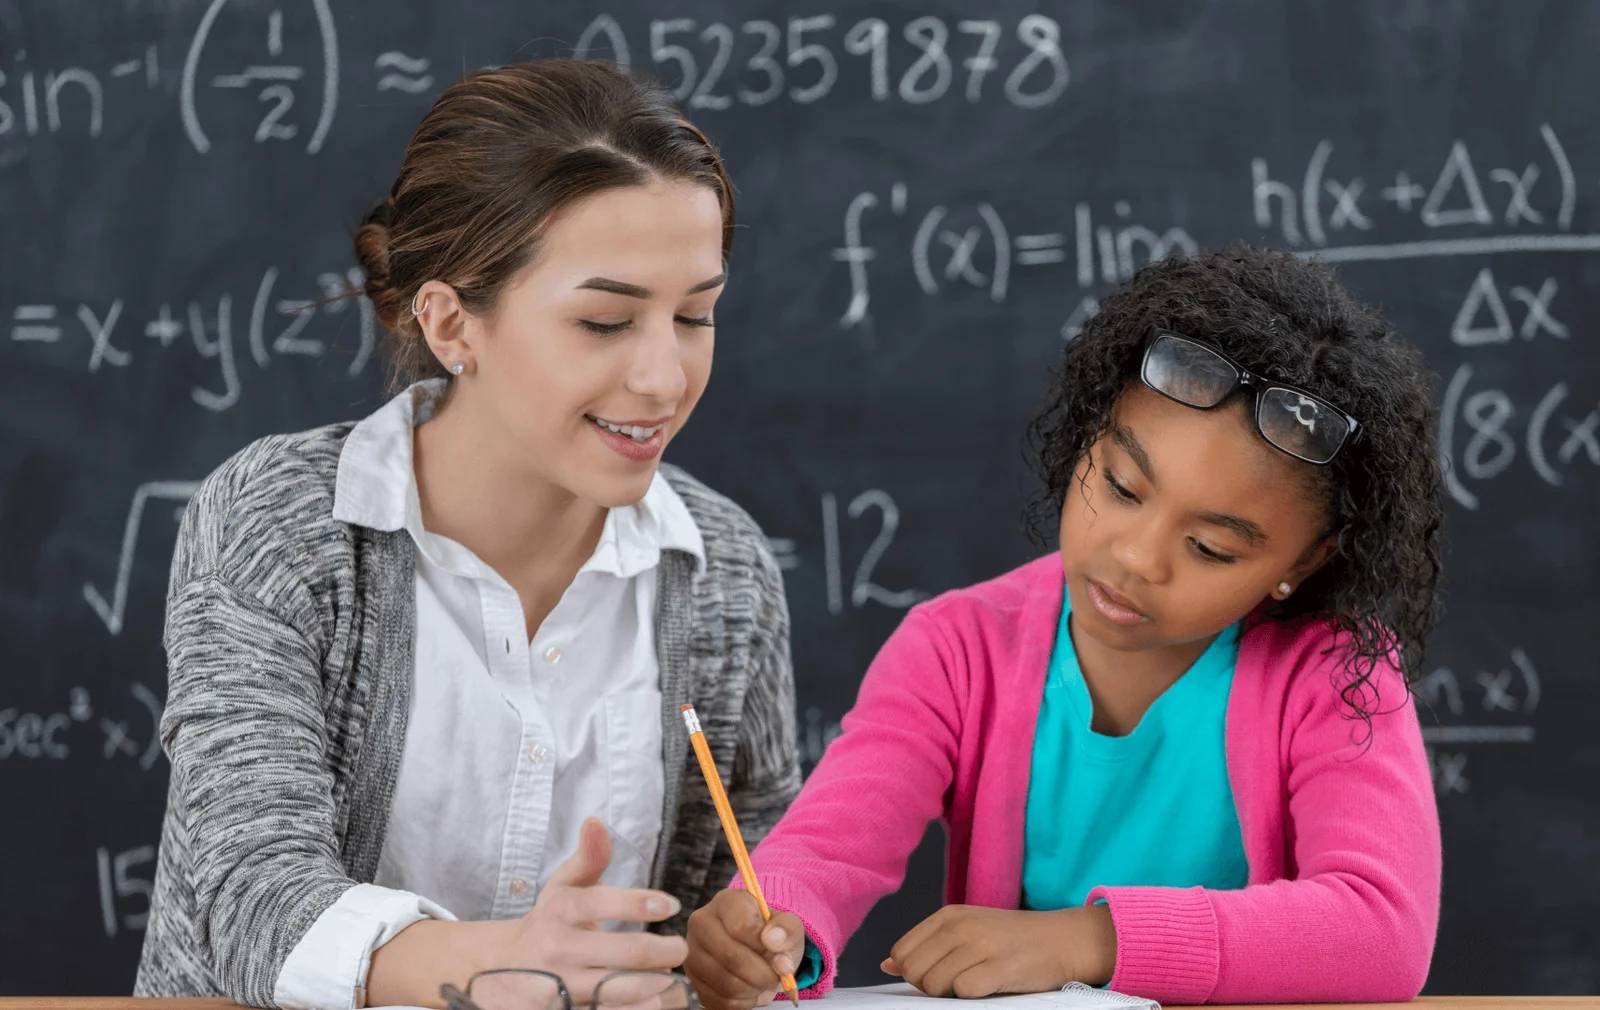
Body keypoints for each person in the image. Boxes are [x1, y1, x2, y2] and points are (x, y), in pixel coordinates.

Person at [134, 58, 801, 1010]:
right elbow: (254, 909)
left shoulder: (724, 570)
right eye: (606, 320)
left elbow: (755, 882)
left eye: (696, 314)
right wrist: (511, 964)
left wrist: (739, 939)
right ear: (452, 323)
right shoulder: (277, 524)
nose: (666, 377)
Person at [685, 247, 1443, 1006]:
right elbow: (829, 847)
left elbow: (1382, 931)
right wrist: (774, 921)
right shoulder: (958, 650)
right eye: (1119, 486)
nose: (1138, 557)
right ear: (1085, 438)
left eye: (1211, 548)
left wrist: (1089, 941)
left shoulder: (1338, 678)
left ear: (1304, 562)